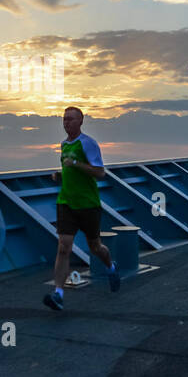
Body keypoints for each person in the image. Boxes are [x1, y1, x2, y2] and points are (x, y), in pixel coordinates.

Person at [43, 106, 120, 311]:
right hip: (66, 202)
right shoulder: (63, 145)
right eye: (64, 119)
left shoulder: (88, 144)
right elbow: (69, 169)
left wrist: (75, 163)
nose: (66, 122)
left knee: (95, 247)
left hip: (88, 204)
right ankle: (58, 294)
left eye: (71, 119)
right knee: (63, 246)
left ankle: (111, 267)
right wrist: (60, 175)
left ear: (81, 121)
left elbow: (99, 172)